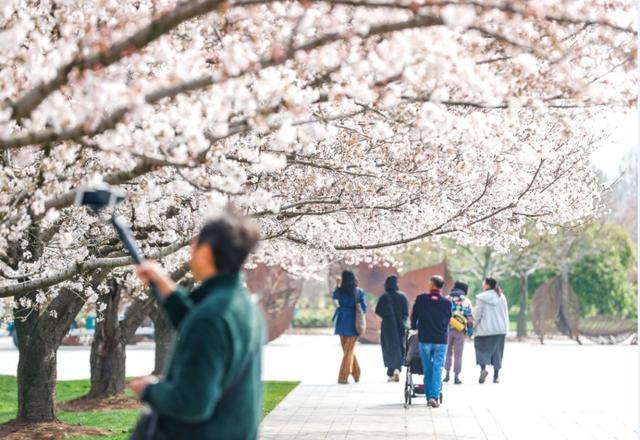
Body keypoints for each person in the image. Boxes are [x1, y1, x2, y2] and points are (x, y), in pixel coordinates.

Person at [129, 210, 265, 439]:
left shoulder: (211, 317)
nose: (190, 252)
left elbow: (192, 403)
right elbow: (195, 322)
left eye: (194, 245)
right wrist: (163, 282)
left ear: (205, 252)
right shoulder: (244, 306)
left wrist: (150, 389)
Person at [410, 275, 452, 408]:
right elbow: (448, 319)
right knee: (438, 368)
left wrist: (414, 326)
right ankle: (433, 396)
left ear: (433, 284)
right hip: (441, 339)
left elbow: (414, 316)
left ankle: (430, 397)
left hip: (425, 339)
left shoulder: (421, 299)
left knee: (428, 368)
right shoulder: (447, 302)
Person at [332, 270, 367, 384]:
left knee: (347, 351)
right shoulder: (359, 292)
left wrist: (337, 284)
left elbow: (334, 296)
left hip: (342, 322)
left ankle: (343, 376)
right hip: (353, 323)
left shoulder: (340, 291)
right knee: (348, 351)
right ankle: (356, 374)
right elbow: (364, 308)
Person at [474, 277, 509, 384]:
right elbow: (505, 314)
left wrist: (474, 325)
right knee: (498, 353)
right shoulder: (501, 296)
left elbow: (478, 314)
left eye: (484, 282)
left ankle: (483, 369)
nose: (482, 284)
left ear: (487, 285)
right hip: (500, 330)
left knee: (481, 349)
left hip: (485, 330)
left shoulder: (481, 297)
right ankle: (496, 376)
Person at [375, 275, 409, 382]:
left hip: (387, 326)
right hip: (400, 325)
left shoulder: (383, 297)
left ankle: (391, 371)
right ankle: (397, 369)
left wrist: (387, 316)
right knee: (399, 346)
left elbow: (378, 311)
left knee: (389, 347)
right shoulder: (402, 297)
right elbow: (406, 313)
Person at [444, 281, 474, 385]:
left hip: (447, 329)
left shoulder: (447, 298)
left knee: (447, 353)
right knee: (458, 355)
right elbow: (470, 318)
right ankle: (456, 377)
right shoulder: (466, 300)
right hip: (460, 330)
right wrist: (470, 332)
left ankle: (447, 374)